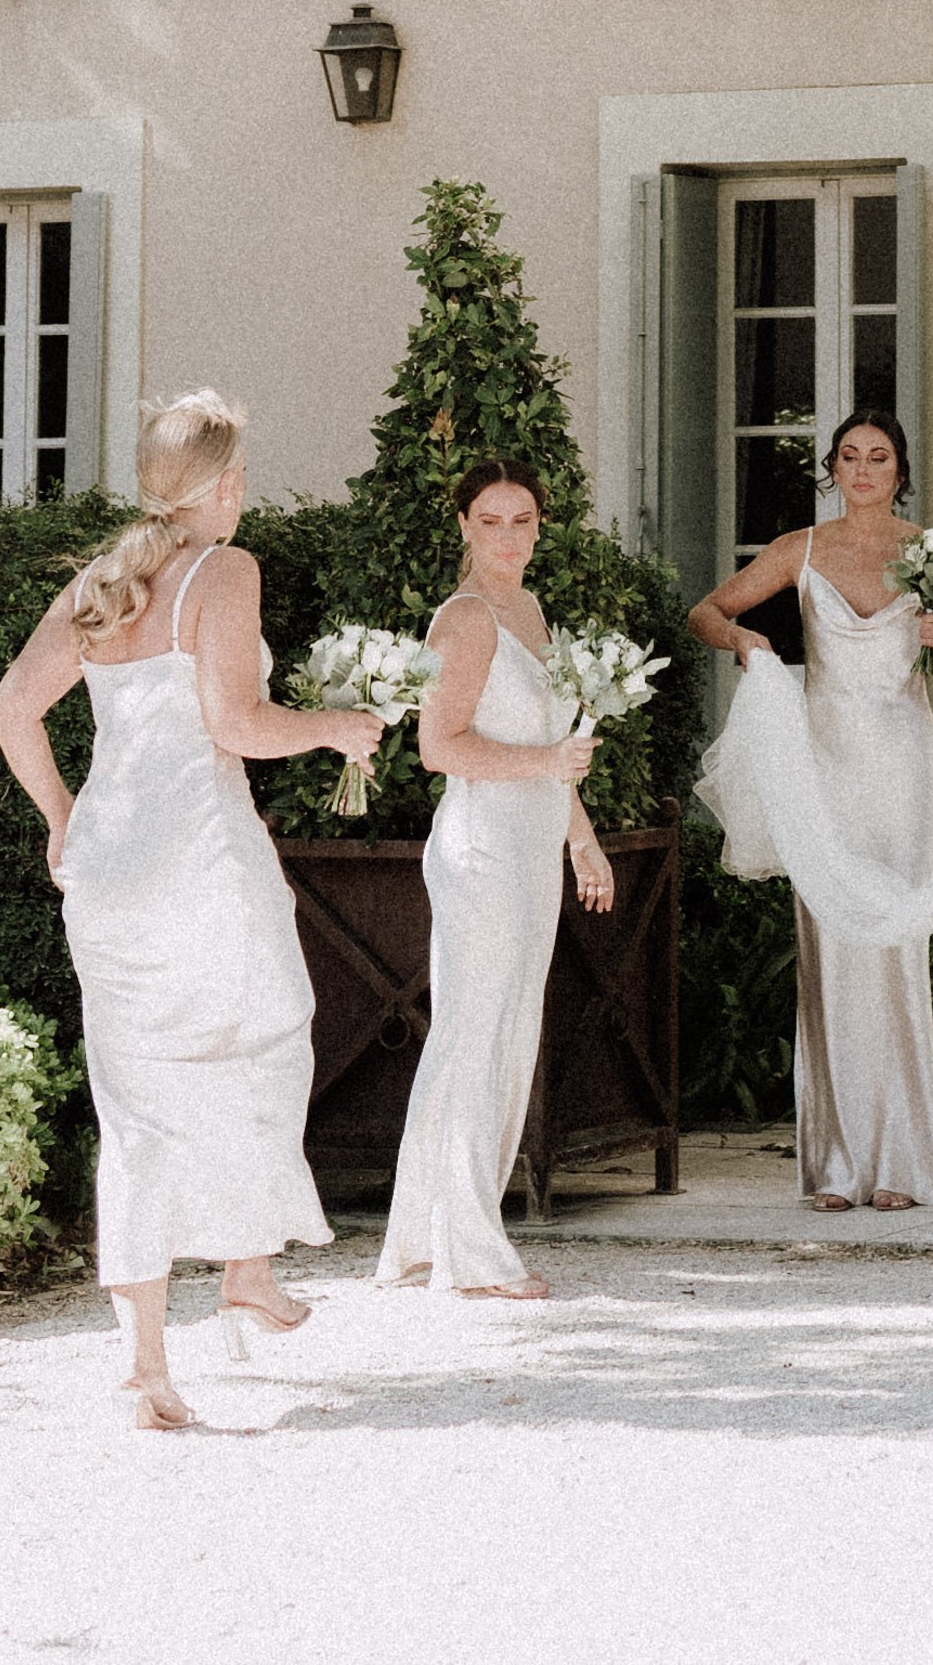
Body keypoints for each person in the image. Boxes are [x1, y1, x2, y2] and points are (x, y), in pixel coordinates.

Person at [0, 391, 396, 1428]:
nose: (245, 492)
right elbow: (237, 720)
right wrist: (337, 727)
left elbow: (10, 708)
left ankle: (146, 1362)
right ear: (219, 484)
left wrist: (62, 818)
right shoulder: (225, 568)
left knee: (136, 1101)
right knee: (263, 1039)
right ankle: (247, 1268)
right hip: (199, 855)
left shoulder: (102, 580)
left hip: (110, 863)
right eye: (242, 475)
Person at [686, 409, 933, 1210]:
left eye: (879, 456)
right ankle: (839, 1165)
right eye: (849, 456)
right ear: (832, 468)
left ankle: (901, 1162)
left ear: (900, 469)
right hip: (825, 769)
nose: (863, 469)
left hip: (903, 770)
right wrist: (746, 642)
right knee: (830, 951)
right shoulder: (803, 548)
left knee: (894, 949)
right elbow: (706, 610)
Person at [379, 460, 619, 1299]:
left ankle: (423, 1234)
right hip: (482, 849)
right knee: (476, 1035)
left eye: (523, 520)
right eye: (492, 520)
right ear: (464, 527)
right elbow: (439, 747)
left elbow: (552, 742)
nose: (509, 536)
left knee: (501, 1033)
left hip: (530, 844)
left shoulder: (530, 609)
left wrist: (580, 837)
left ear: (540, 528)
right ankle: (468, 1253)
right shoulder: (469, 619)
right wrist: (548, 763)